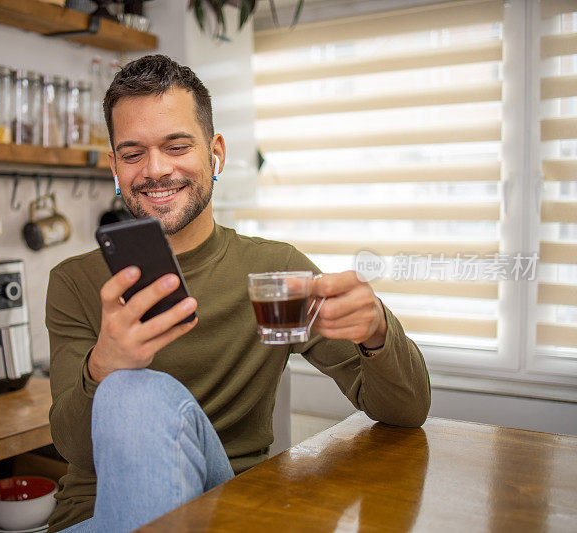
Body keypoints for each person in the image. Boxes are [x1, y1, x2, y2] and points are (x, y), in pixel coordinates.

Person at [45, 54, 431, 532]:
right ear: (115, 168)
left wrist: (377, 331)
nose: (155, 169)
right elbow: (72, 447)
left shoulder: (271, 272)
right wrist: (103, 365)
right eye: (132, 153)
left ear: (216, 153)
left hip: (225, 507)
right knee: (126, 390)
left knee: (134, 393)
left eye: (177, 146)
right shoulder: (76, 282)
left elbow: (407, 412)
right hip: (98, 517)